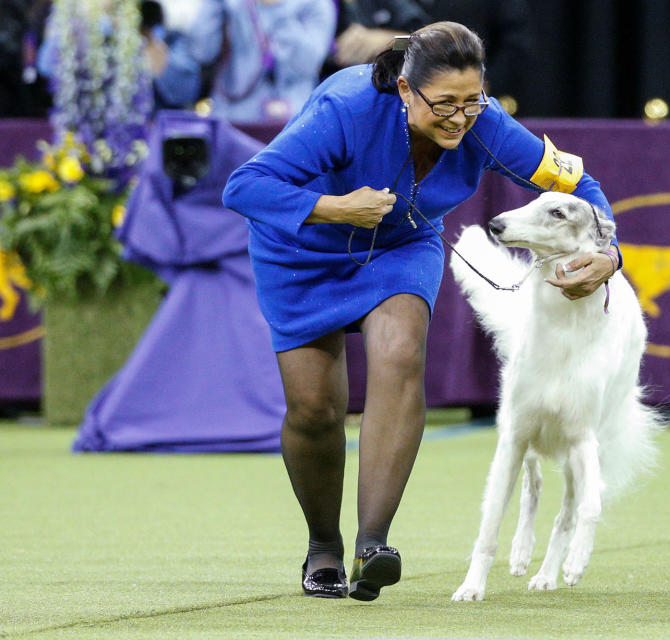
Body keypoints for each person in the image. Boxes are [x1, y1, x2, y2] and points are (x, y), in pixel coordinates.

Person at [221, 21, 622, 601]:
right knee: (314, 410)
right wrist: (334, 207)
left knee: (401, 353)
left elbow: (582, 186)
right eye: (445, 105)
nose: (461, 118)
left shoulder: (485, 124)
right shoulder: (347, 106)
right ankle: (323, 548)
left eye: (472, 100)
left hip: (399, 247)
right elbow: (245, 186)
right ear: (407, 91)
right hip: (302, 251)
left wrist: (611, 253)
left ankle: (372, 544)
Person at [186, 0, 336, 123]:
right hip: (231, 118)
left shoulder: (315, 4)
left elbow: (307, 64)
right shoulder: (233, 4)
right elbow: (200, 52)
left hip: (292, 123)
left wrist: (278, 10)